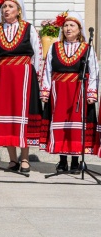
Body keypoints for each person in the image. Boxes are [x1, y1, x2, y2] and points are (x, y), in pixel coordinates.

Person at [40, 11, 98, 173]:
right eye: (65, 25)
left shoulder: (87, 49)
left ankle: (75, 161)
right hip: (59, 91)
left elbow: (94, 71)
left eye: (72, 25)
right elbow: (47, 70)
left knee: (75, 126)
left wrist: (91, 93)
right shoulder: (54, 47)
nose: (68, 28)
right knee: (60, 124)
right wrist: (45, 91)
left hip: (78, 91)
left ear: (79, 30)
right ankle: (62, 160)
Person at [0, 0, 43, 174]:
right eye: (4, 6)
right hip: (3, 76)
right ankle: (12, 159)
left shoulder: (29, 28)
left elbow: (38, 54)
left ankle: (25, 158)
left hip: (24, 76)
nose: (6, 9)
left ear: (19, 10)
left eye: (10, 6)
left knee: (23, 117)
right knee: (6, 115)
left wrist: (37, 79)